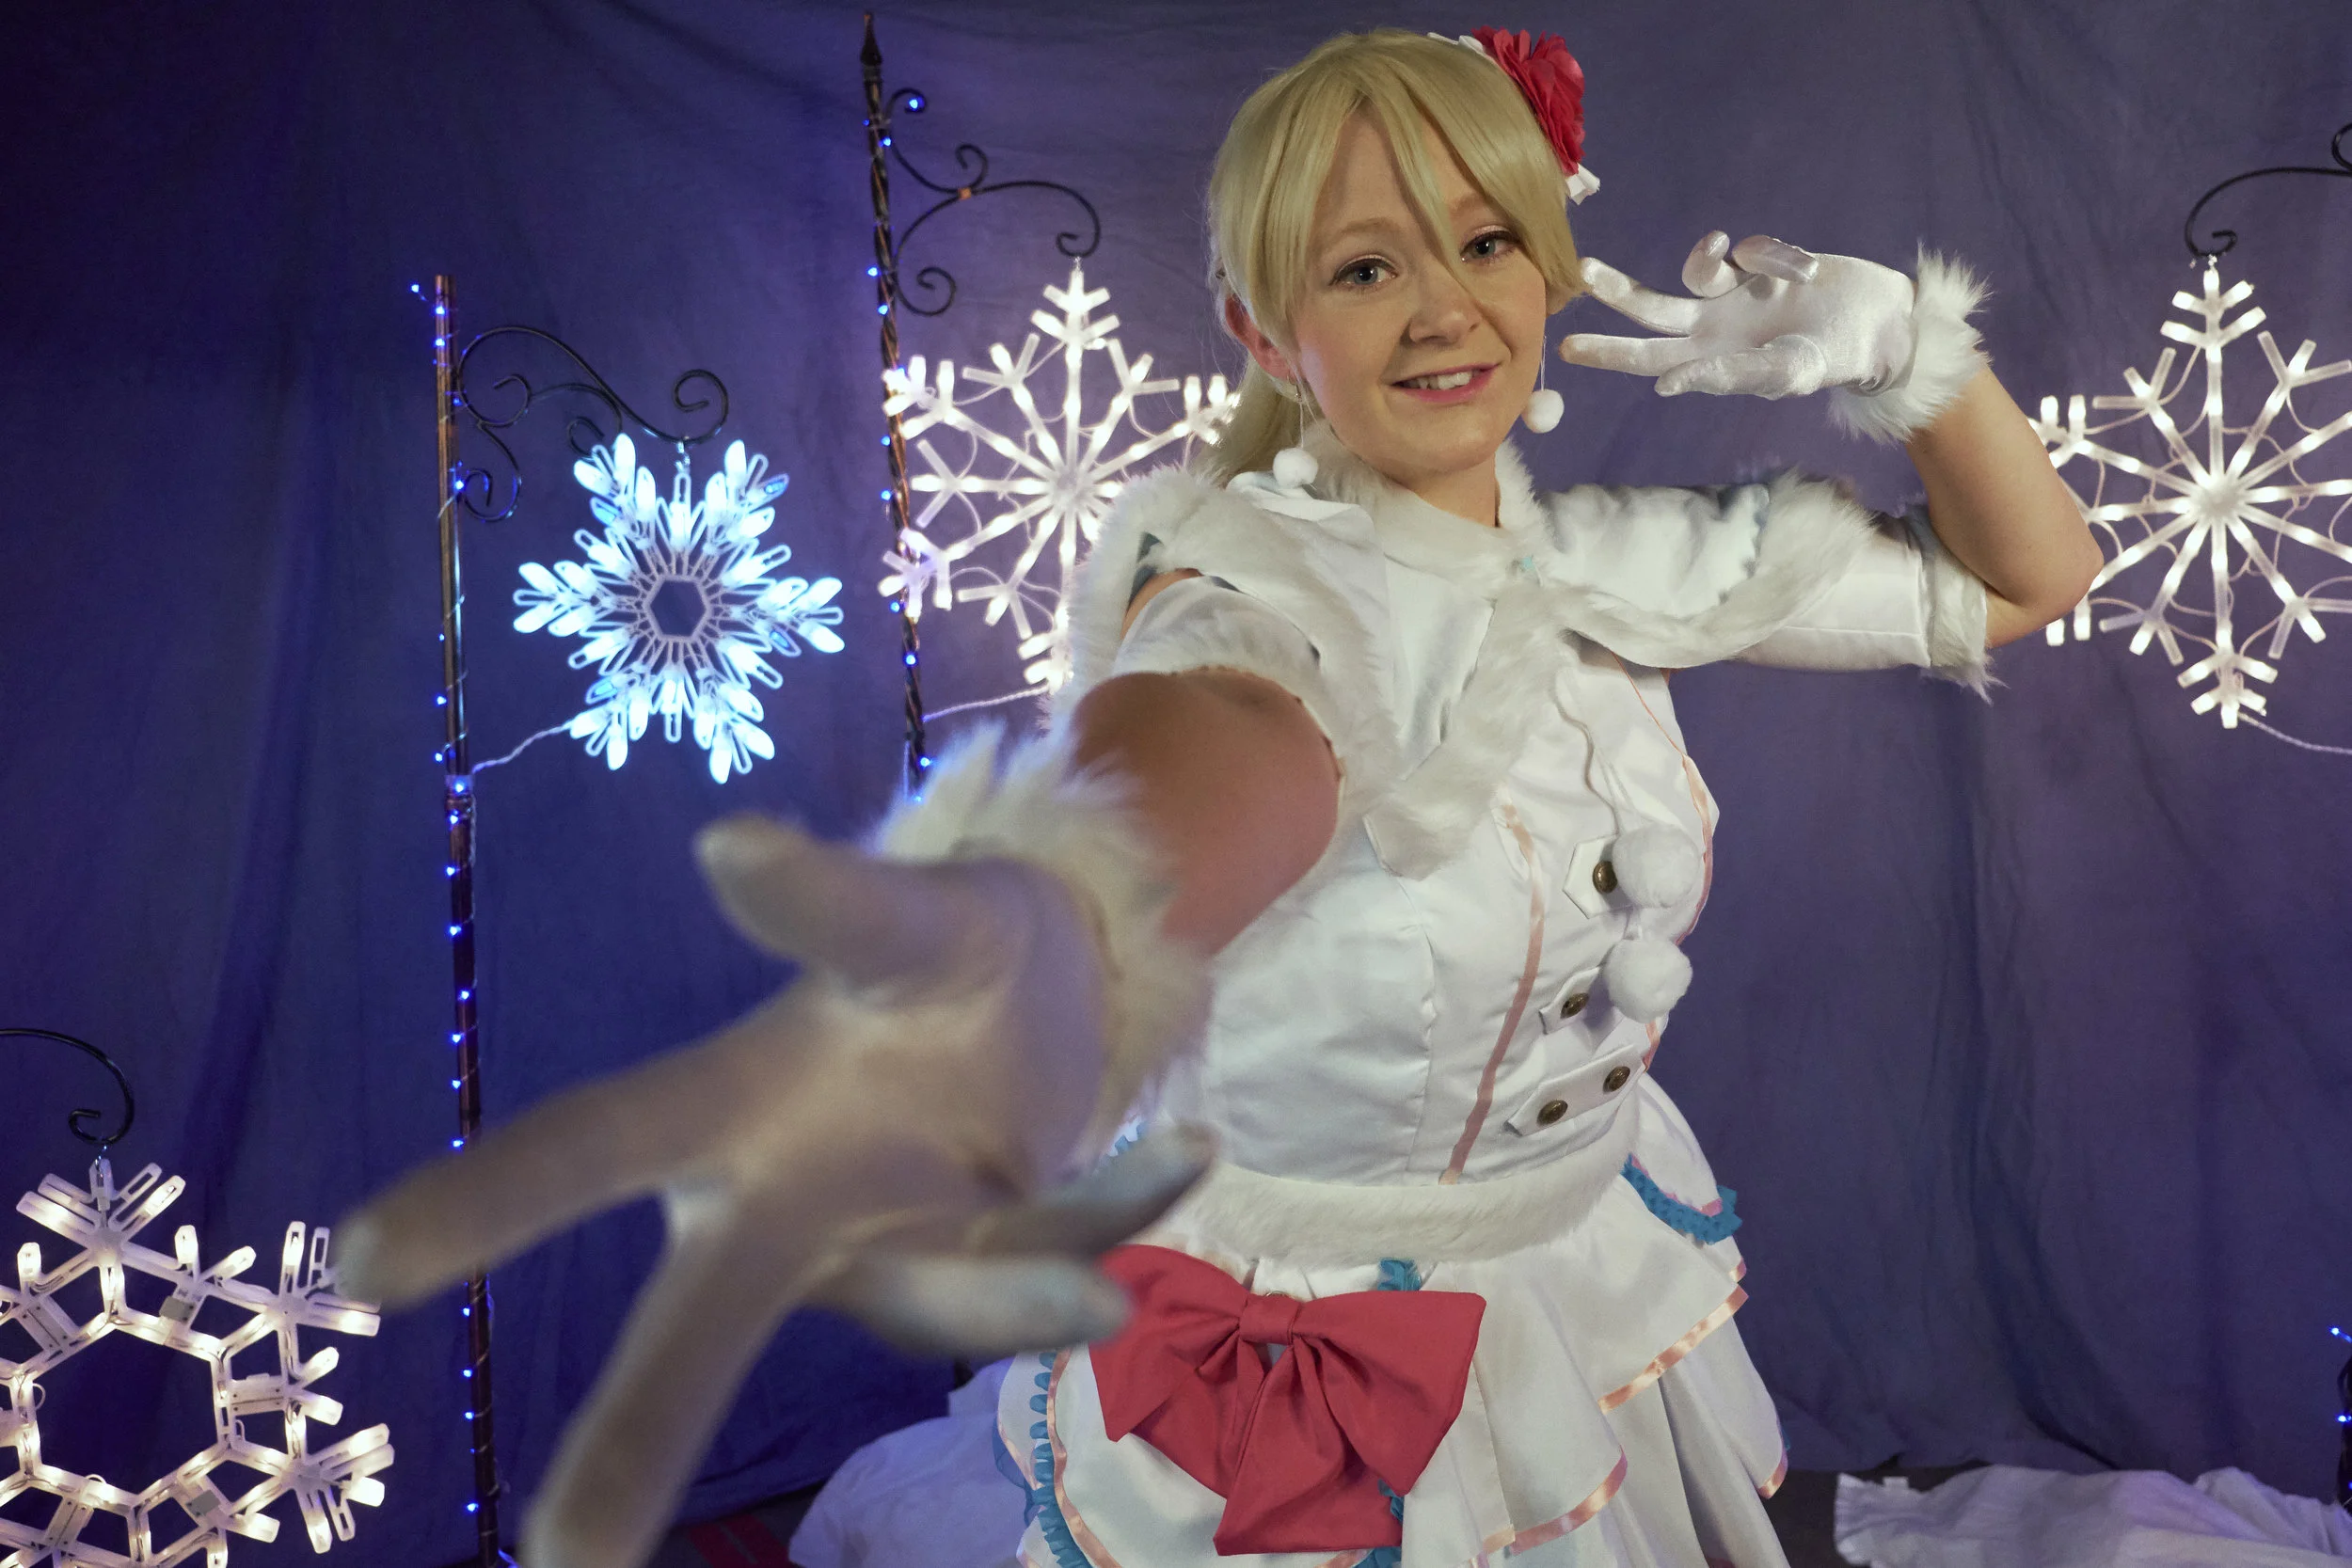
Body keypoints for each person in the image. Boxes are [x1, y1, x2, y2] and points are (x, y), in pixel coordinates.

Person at [340, 25, 2098, 1568]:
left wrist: (1913, 361)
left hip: (1569, 1265)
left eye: (1487, 240)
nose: (1446, 307)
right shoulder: (1253, 602)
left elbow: (2028, 578)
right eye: (1365, 267)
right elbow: (1194, 772)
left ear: (1551, 266)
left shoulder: (1606, 561)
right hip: (1296, 1341)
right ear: (1267, 330)